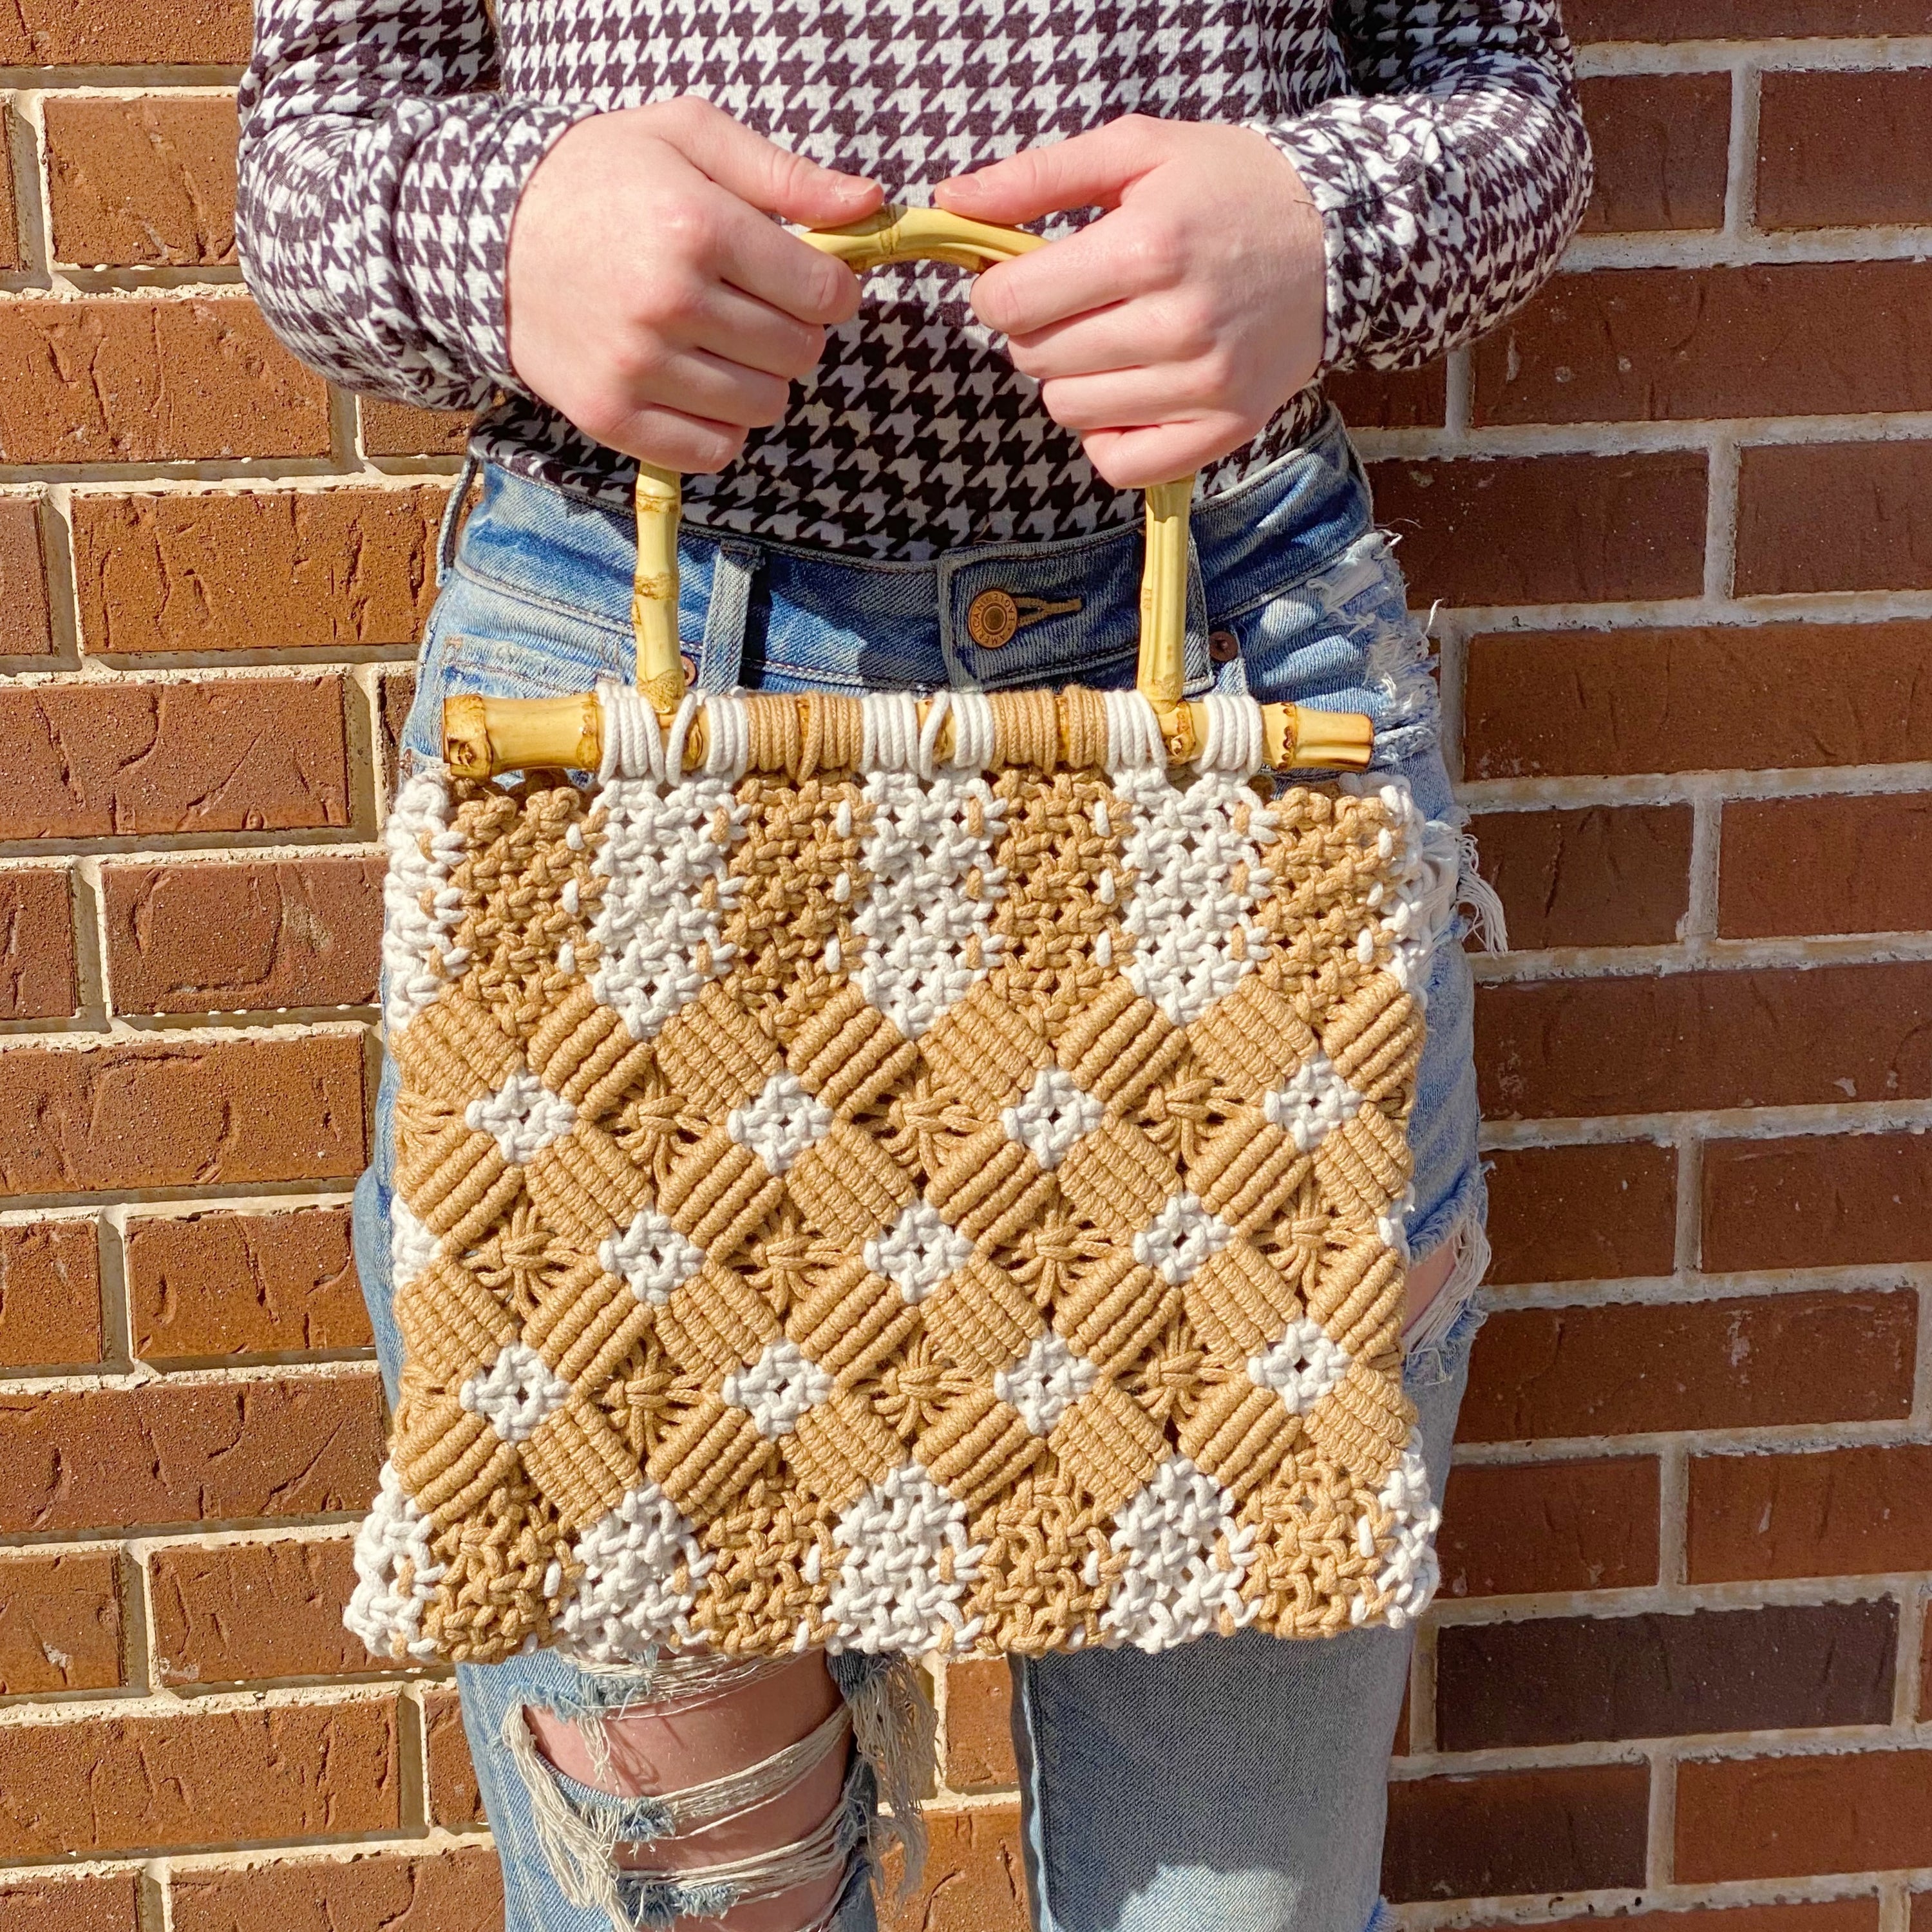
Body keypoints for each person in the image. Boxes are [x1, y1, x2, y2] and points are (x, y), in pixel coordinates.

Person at [238, 4, 1590, 1927]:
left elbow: (1503, 111)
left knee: (1242, 1907)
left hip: (1224, 713)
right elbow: (311, 152)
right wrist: (510, 230)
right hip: (624, 738)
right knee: (684, 1901)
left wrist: (1320, 226)